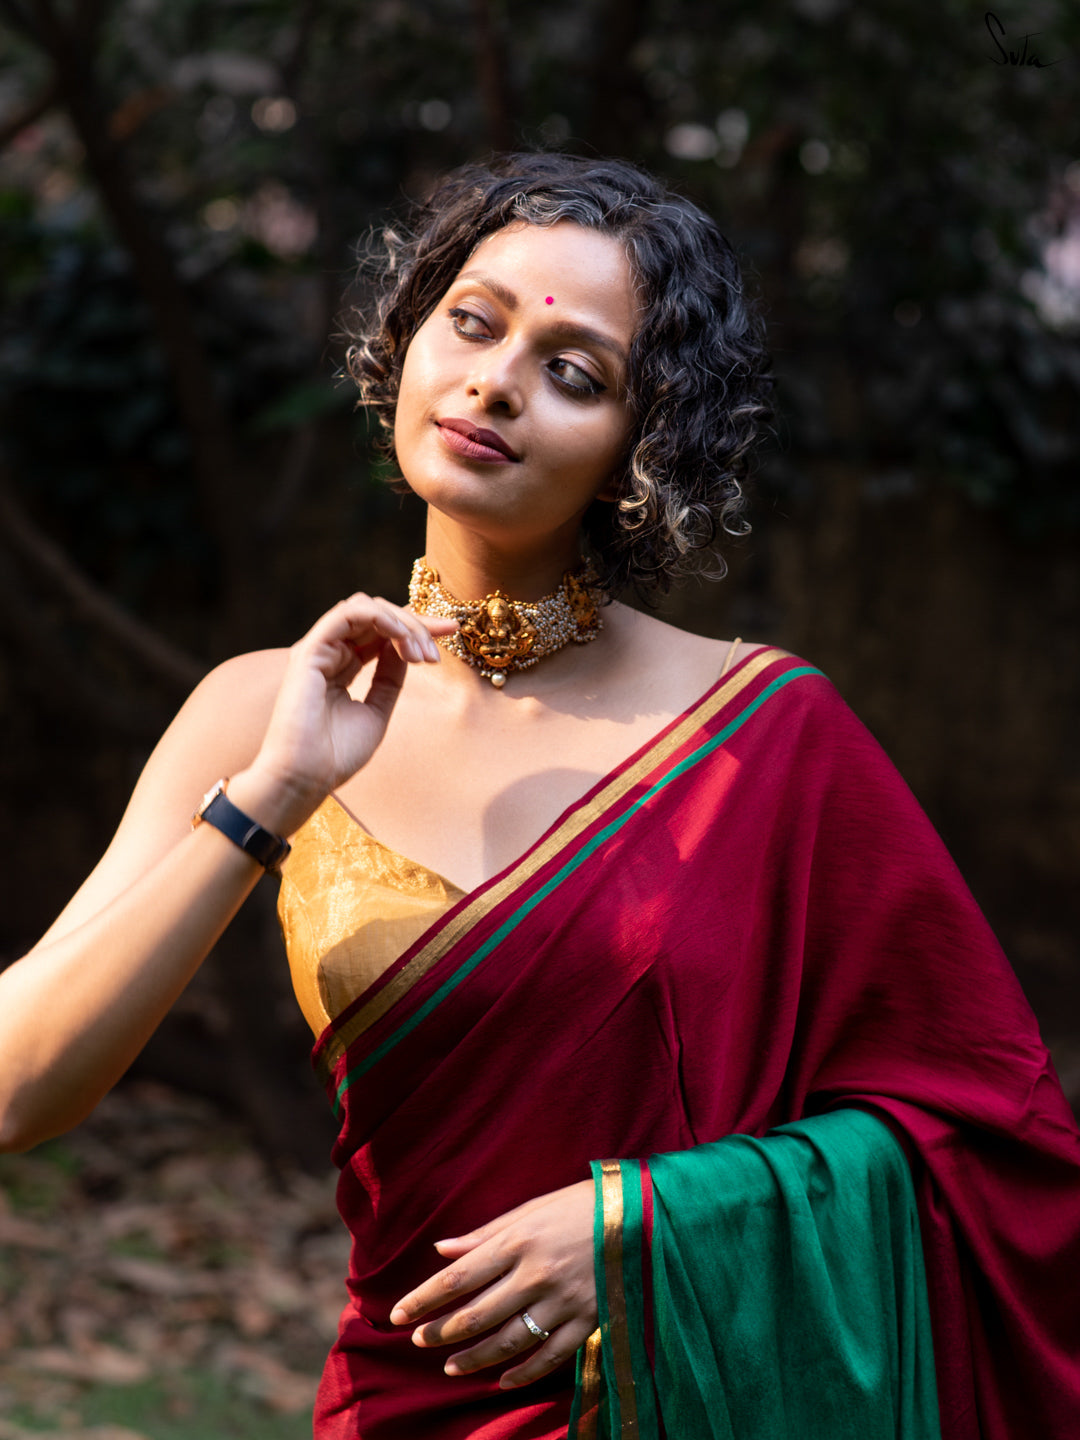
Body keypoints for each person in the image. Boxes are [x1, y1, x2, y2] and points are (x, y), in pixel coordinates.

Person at [2, 152, 1078, 1440]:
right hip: (411, 1406)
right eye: (473, 320)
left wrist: (647, 1230)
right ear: (405, 341)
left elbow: (994, 1137)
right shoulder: (258, 711)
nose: (497, 379)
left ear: (644, 444)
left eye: (576, 375)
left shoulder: (766, 733)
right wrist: (270, 796)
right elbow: (19, 1092)